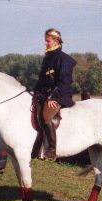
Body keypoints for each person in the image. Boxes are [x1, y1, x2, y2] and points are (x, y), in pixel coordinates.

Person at [33, 28, 76, 161]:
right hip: (45, 95)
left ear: (56, 41)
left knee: (46, 116)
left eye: (48, 41)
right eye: (45, 41)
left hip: (60, 95)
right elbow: (42, 80)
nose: (46, 43)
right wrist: (33, 91)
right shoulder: (48, 58)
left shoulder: (64, 59)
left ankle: (51, 150)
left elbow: (64, 82)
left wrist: (53, 97)